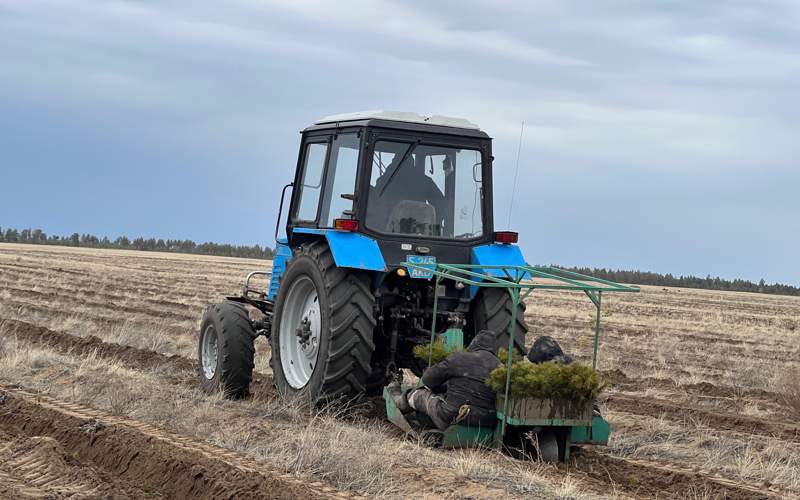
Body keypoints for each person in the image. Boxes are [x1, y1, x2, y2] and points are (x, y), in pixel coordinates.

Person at [389, 330, 500, 431]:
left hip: (453, 417)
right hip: (484, 422)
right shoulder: (501, 368)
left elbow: (427, 380)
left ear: (474, 343)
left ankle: (399, 403)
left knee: (419, 394)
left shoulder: (459, 358)